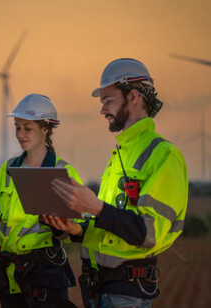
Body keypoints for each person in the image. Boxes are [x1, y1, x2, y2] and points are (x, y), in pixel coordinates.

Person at [44, 58, 188, 308]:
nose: (102, 110)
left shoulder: (164, 156)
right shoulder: (121, 155)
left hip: (127, 295)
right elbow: (112, 226)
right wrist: (77, 230)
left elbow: (149, 232)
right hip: (99, 289)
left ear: (133, 97)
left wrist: (95, 207)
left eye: (108, 101)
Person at [0, 94, 83, 308]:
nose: (20, 134)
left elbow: (79, 228)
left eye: (27, 128)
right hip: (9, 277)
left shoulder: (64, 172)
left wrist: (63, 227)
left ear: (45, 128)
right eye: (17, 127)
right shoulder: (7, 169)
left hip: (45, 277)